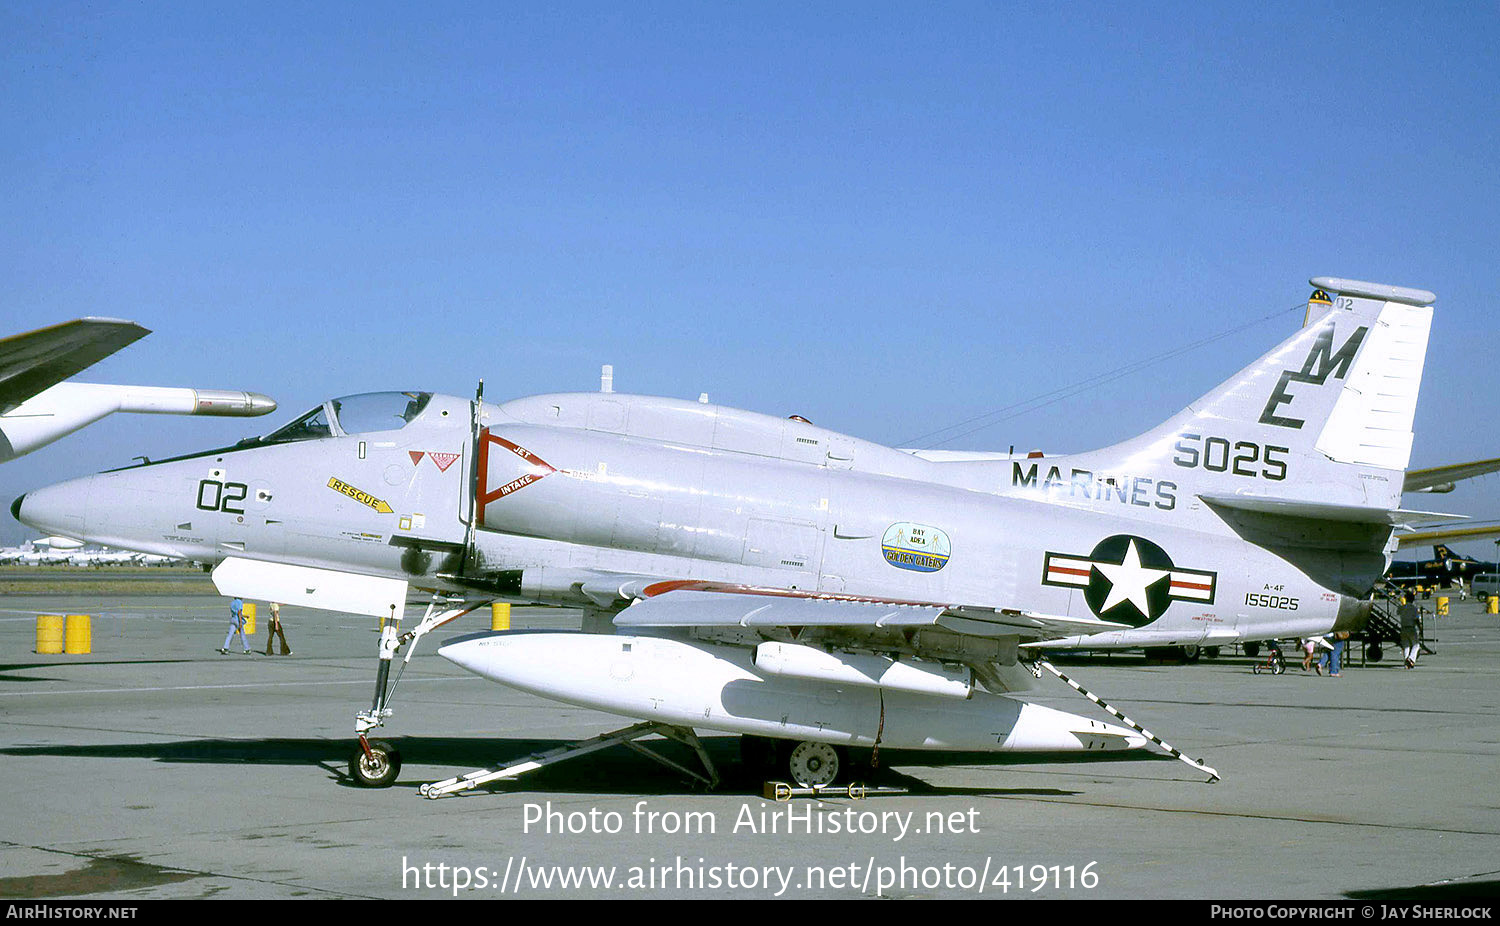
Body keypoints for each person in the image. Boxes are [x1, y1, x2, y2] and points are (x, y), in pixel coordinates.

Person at [1399, 595, 1421, 668]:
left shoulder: (1402, 607)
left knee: (1406, 645)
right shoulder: (1414, 608)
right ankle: (1411, 659)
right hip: (1411, 627)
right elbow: (1416, 619)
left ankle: (1406, 662)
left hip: (1403, 627)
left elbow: (1397, 611)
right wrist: (1420, 628)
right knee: (1416, 645)